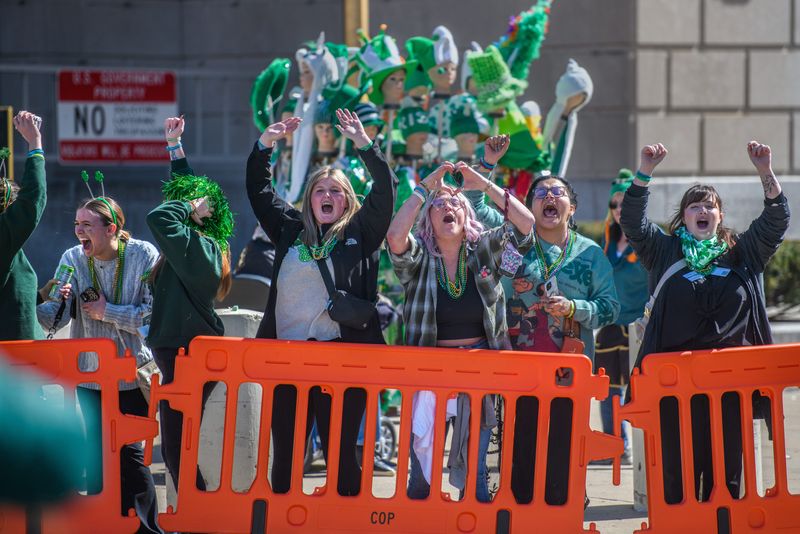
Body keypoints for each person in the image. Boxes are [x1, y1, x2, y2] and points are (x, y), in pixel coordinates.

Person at [620, 141, 790, 503]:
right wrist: (645, 171)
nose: (702, 210)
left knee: (726, 478)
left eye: (709, 206)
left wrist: (765, 172)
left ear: (720, 216)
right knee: (677, 478)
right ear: (684, 217)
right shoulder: (664, 251)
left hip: (731, 385)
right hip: (673, 383)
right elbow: (632, 220)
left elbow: (777, 219)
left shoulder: (743, 252)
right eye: (694, 205)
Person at [246, 108, 397, 496]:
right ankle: (282, 520)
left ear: (347, 201)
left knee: (343, 454)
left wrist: (364, 144)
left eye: (335, 192)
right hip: (288, 358)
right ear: (309, 199)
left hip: (342, 357)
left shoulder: (361, 231)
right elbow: (259, 192)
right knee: (288, 456)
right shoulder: (289, 229)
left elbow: (385, 191)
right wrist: (265, 145)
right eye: (320, 190)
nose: (327, 196)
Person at [466, 135, 619, 506]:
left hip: (570, 372)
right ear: (527, 206)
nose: (550, 198)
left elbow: (610, 308)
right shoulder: (514, 237)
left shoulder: (590, 253)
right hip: (517, 369)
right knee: (520, 451)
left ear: (572, 208)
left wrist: (573, 308)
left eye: (558, 193)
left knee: (564, 452)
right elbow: (474, 204)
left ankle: (565, 509)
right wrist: (487, 163)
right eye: (541, 193)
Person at [386, 159, 535, 502]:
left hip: (479, 371)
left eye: (455, 203)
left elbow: (526, 226)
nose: (447, 206)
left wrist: (481, 183)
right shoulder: (420, 258)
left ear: (468, 218)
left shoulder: (483, 251)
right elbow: (395, 237)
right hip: (428, 374)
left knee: (476, 476)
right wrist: (424, 188)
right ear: (429, 221)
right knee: (421, 474)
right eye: (439, 205)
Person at [37, 192, 161, 533]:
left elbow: (152, 316)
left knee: (129, 453)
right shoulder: (72, 257)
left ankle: (146, 527)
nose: (79, 231)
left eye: (87, 225)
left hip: (132, 373)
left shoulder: (144, 254)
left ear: (112, 229)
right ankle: (103, 525)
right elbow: (51, 321)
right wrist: (44, 298)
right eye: (77, 224)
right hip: (90, 376)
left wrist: (109, 312)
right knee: (97, 454)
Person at [146, 116, 234, 494]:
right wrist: (175, 146)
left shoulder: (201, 251)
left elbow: (160, 217)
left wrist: (189, 205)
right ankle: (196, 514)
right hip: (180, 352)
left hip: (189, 354)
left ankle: (197, 516)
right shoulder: (193, 247)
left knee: (178, 449)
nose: (180, 203)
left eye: (191, 204)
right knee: (178, 448)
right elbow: (180, 197)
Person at [594, 169, 648, 464]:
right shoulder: (607, 242)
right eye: (614, 204)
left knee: (639, 391)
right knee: (607, 388)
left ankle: (645, 450)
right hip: (611, 324)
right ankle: (617, 445)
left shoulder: (649, 241)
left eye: (624, 202)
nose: (618, 210)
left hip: (640, 327)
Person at [0, 111, 46, 341]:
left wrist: (39, 296)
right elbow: (32, 201)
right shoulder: (3, 235)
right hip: (14, 361)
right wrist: (34, 144)